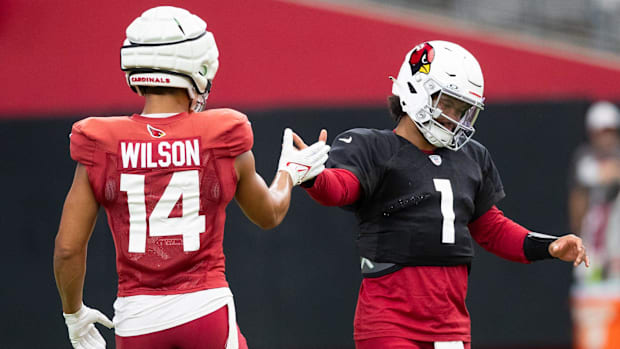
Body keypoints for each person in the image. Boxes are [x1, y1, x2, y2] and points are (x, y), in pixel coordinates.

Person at [53, 6, 329, 349]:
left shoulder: (101, 143)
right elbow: (269, 214)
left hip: (137, 319)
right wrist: (290, 172)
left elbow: (67, 248)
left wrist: (74, 315)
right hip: (206, 310)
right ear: (197, 66)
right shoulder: (223, 133)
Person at [298, 40, 590, 349]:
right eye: (446, 103)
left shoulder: (472, 157)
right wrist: (314, 176)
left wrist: (548, 246)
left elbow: (490, 228)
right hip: (390, 322)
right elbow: (342, 187)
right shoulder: (375, 147)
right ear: (416, 89)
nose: (453, 116)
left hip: (451, 324)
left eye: (462, 109)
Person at [568, 101, 620, 349]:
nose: (605, 137)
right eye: (601, 131)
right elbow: (579, 200)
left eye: (609, 131)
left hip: (616, 247)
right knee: (592, 310)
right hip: (594, 248)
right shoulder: (584, 159)